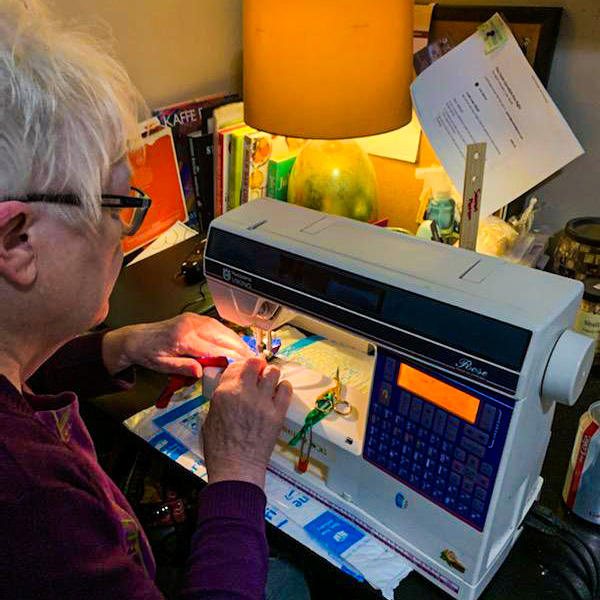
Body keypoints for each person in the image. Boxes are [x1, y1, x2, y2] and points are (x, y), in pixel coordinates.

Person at [0, 1, 307, 599]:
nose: (126, 232)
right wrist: (238, 471)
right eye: (118, 205)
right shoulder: (31, 496)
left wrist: (121, 346)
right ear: (18, 241)